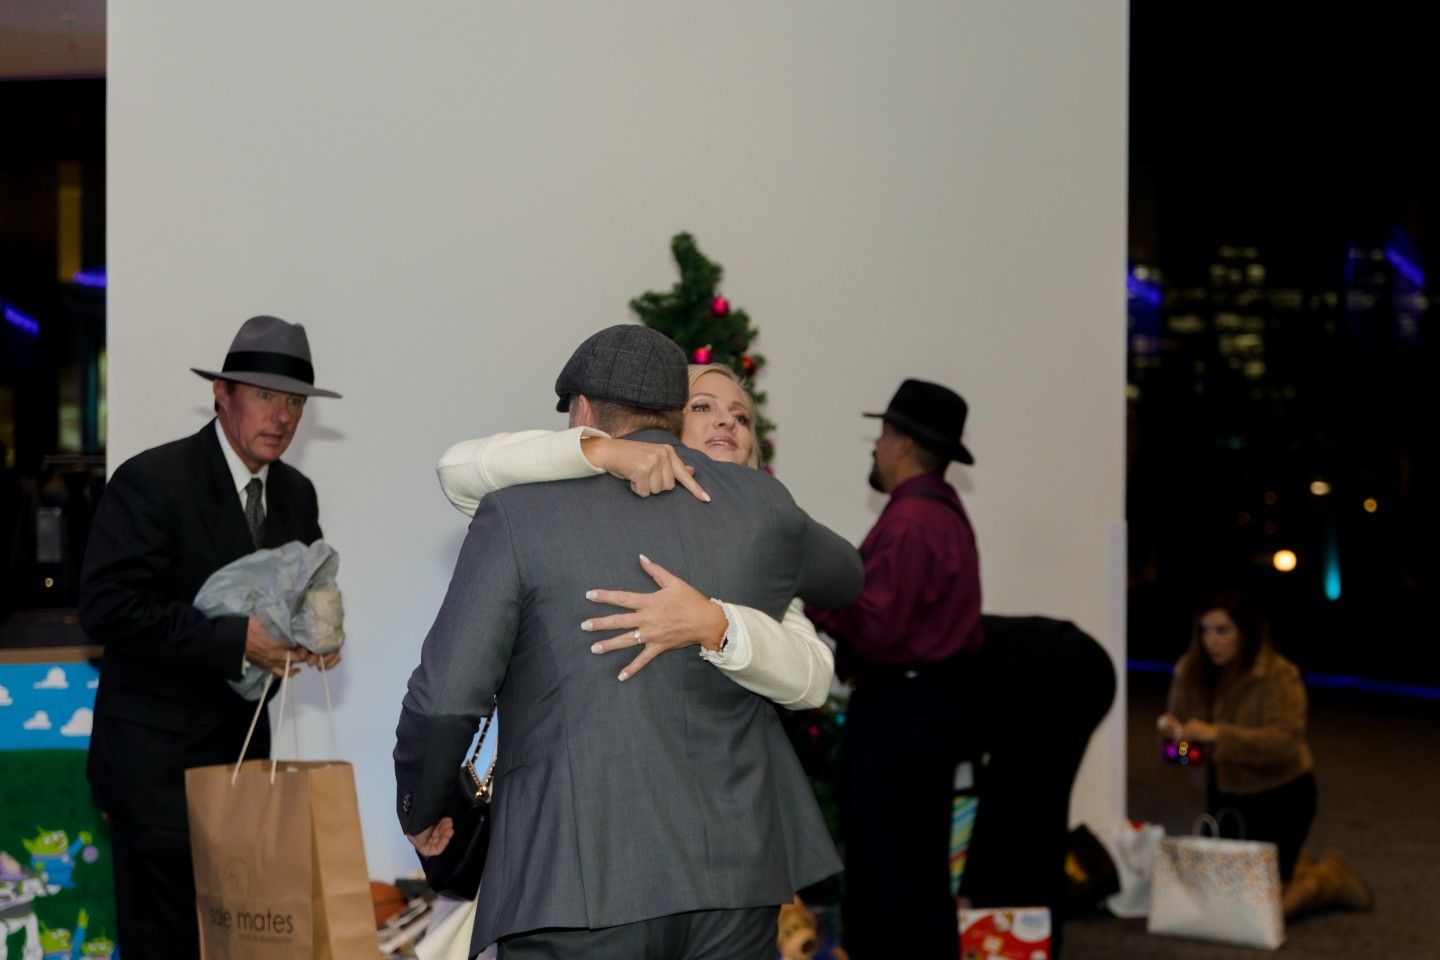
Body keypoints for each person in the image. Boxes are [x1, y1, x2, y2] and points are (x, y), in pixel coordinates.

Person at [395, 324, 862, 959]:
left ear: (583, 413)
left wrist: (423, 808)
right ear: (676, 413)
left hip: (575, 883)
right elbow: (847, 575)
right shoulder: (763, 509)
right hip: (736, 880)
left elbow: (447, 698)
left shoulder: (517, 513)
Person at [77, 315, 342, 959]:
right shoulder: (153, 479)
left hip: (244, 771)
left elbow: (303, 591)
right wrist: (235, 642)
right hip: (155, 777)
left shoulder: (296, 495)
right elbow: (107, 607)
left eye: (294, 401)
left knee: (240, 947)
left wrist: (317, 635)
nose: (281, 416)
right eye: (264, 395)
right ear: (221, 394)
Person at [434, 362, 833, 709]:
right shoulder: (601, 509)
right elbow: (457, 469)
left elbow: (813, 682)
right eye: (702, 406)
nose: (727, 421)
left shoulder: (764, 544)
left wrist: (716, 624)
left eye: (741, 417)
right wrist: (600, 450)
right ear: (667, 424)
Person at [806, 378, 983, 960]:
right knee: (918, 868)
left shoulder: (910, 521)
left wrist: (814, 595)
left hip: (898, 717)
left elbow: (879, 628)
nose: (876, 448)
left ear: (902, 443)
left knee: (887, 869)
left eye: (881, 436)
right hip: (928, 711)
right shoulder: (944, 512)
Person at [1159, 590, 1372, 918]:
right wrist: (1179, 741)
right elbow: (1182, 758)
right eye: (1204, 631)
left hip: (1281, 796)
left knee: (1264, 913)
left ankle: (1327, 878)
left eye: (1222, 630)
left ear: (1246, 633)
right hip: (1224, 799)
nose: (1211, 641)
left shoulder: (1278, 674)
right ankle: (1296, 864)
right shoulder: (1189, 672)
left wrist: (1216, 734)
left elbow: (1284, 743)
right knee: (1223, 903)